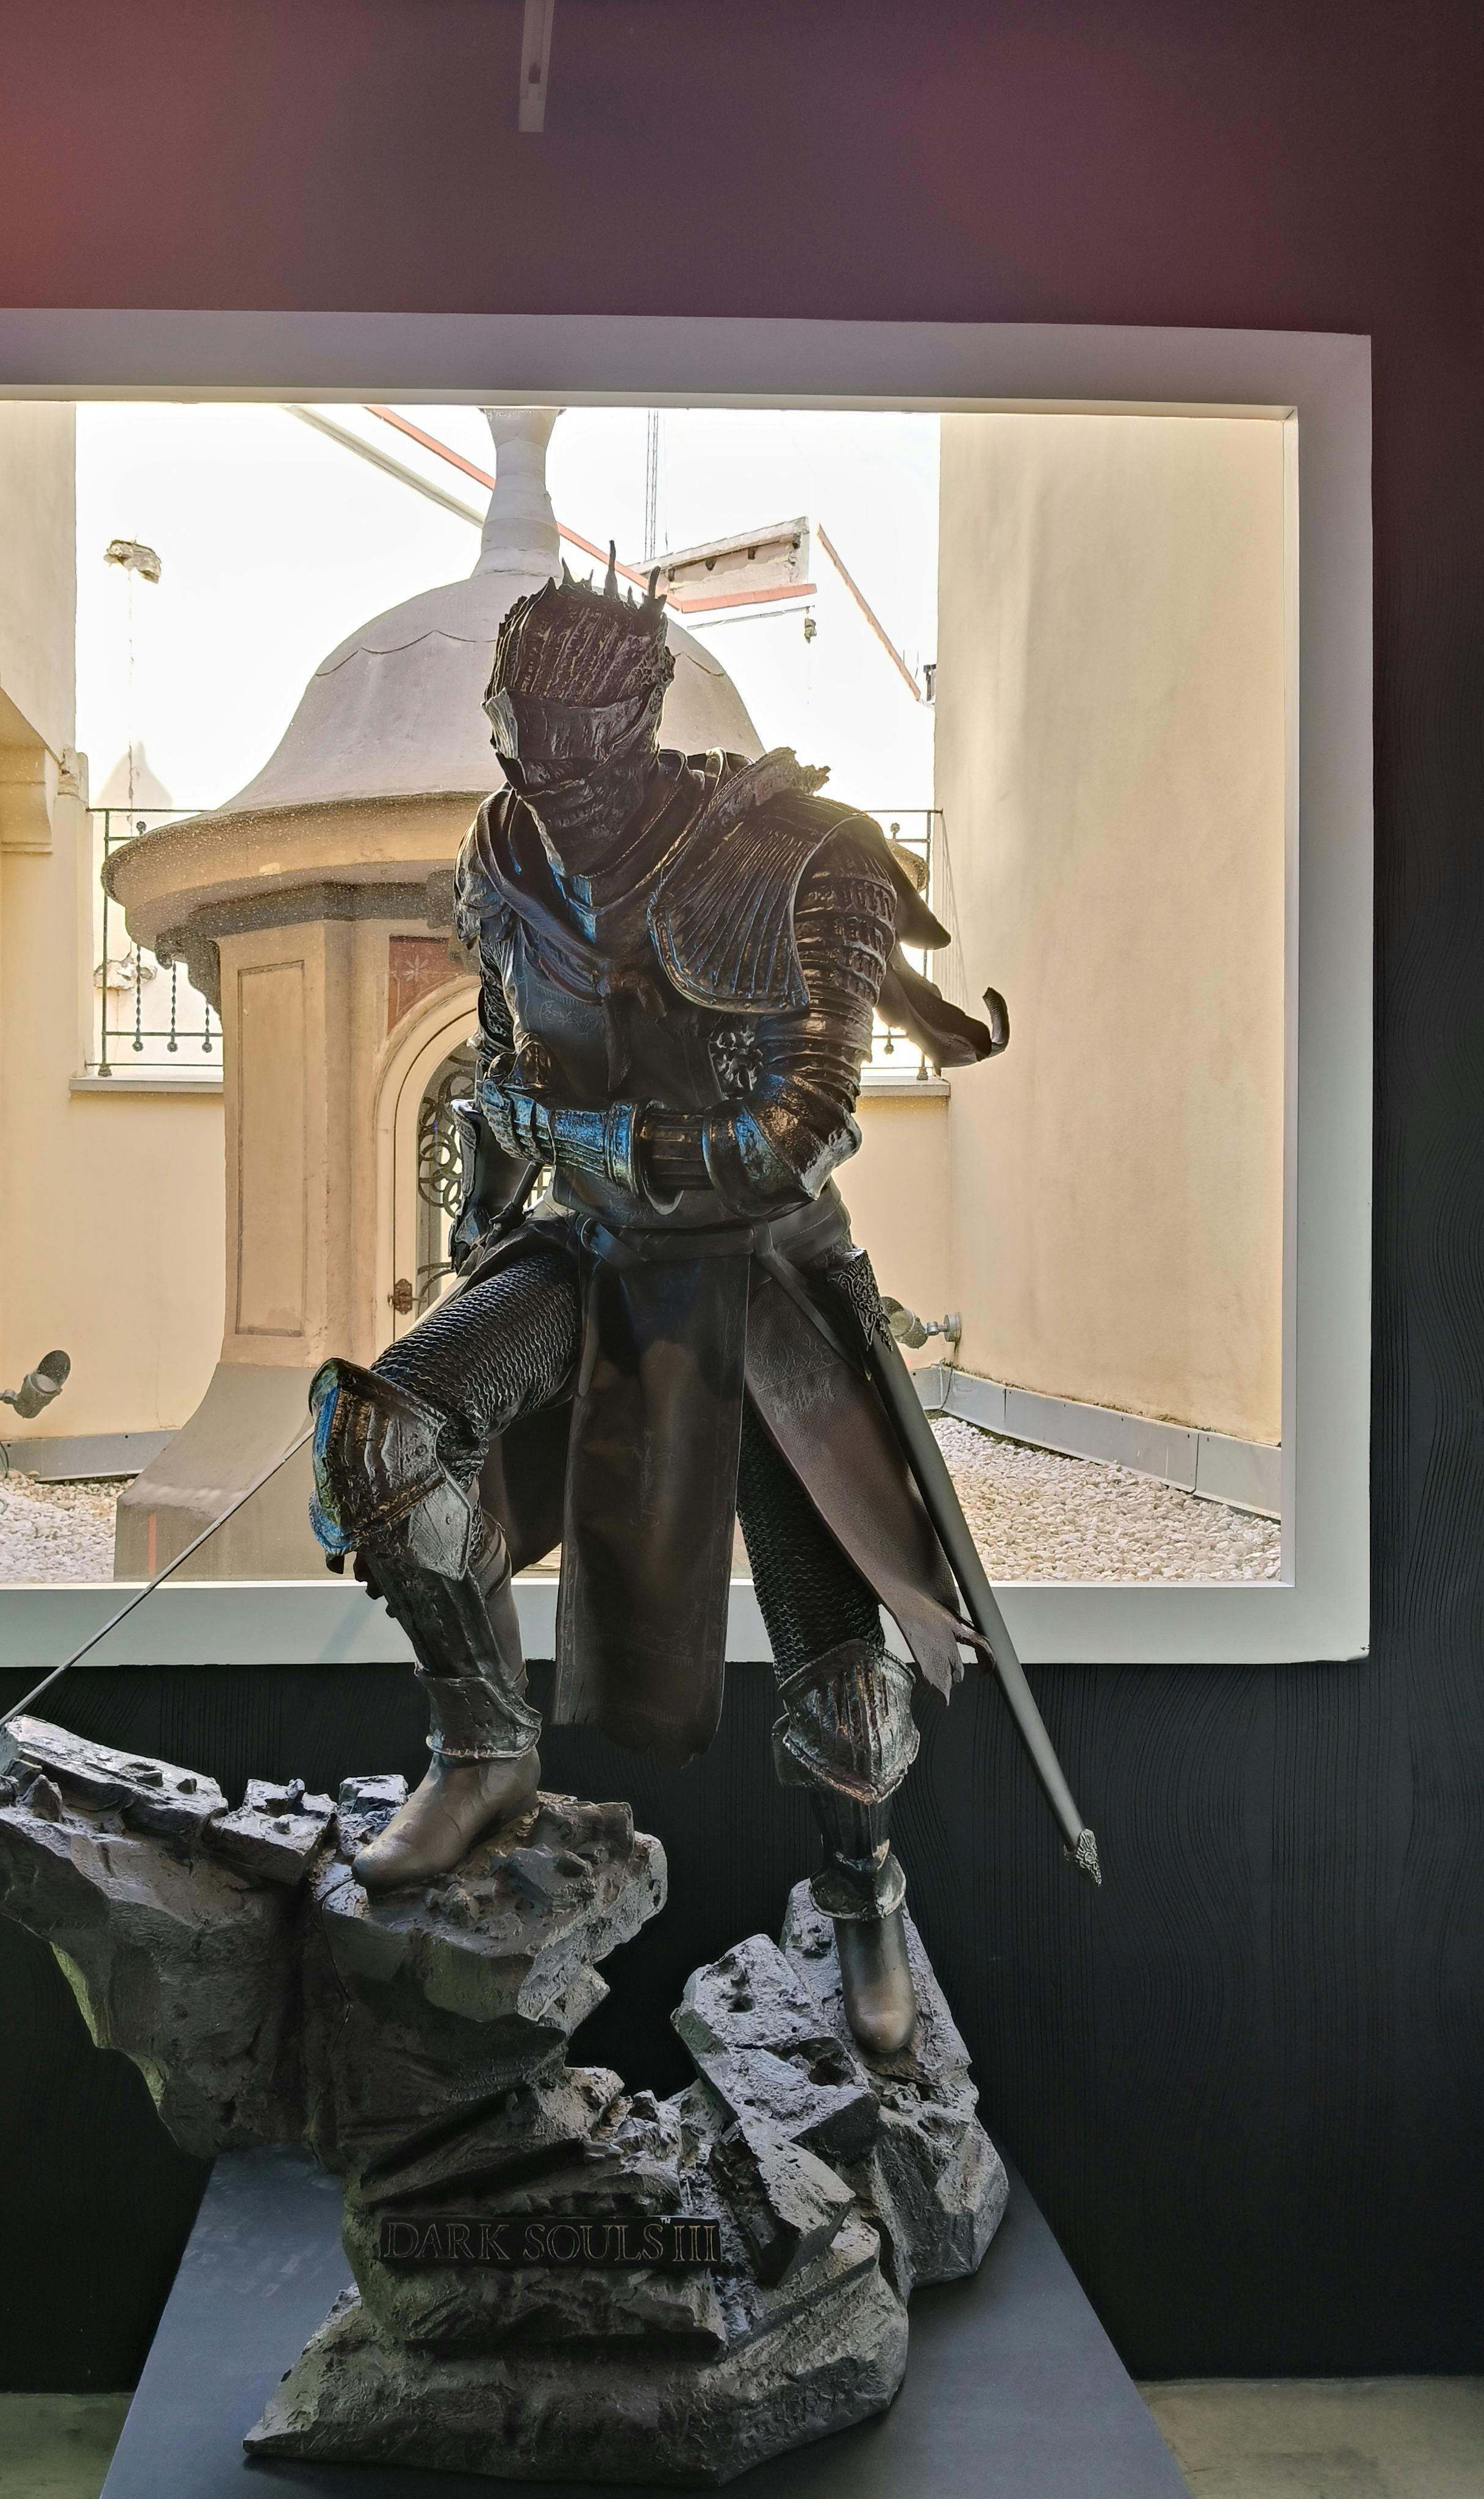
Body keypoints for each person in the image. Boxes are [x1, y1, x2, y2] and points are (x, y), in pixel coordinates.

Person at [309, 558, 1006, 2054]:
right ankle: (480, 1746)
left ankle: (863, 1891)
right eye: (522, 753)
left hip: (763, 1278)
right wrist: (487, 1206)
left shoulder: (801, 858)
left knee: (848, 1693)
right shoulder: (502, 850)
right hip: (591, 1251)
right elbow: (507, 1060)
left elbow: (799, 1130)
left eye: (573, 760)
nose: (545, 789)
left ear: (637, 720)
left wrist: (581, 1134)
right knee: (378, 1438)